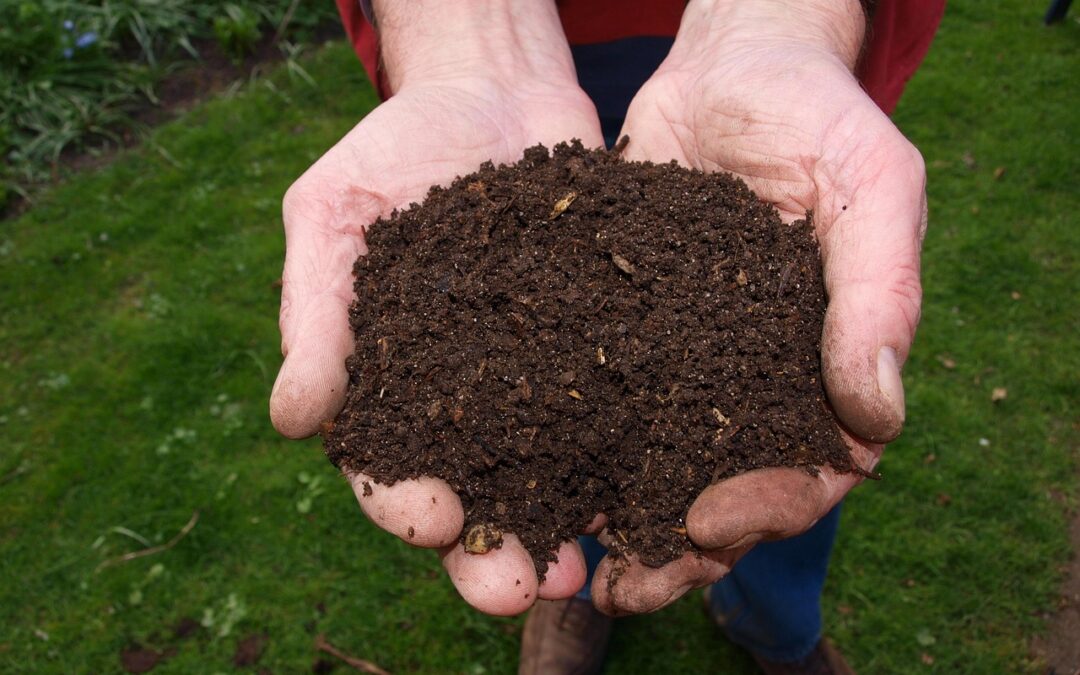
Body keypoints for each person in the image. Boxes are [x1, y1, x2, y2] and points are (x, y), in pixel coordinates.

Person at [270, 1, 943, 672]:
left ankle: (775, 624)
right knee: (577, 472)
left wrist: (787, 22)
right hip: (528, 43)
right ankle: (574, 585)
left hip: (767, 43)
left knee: (791, 449)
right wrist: (466, 30)